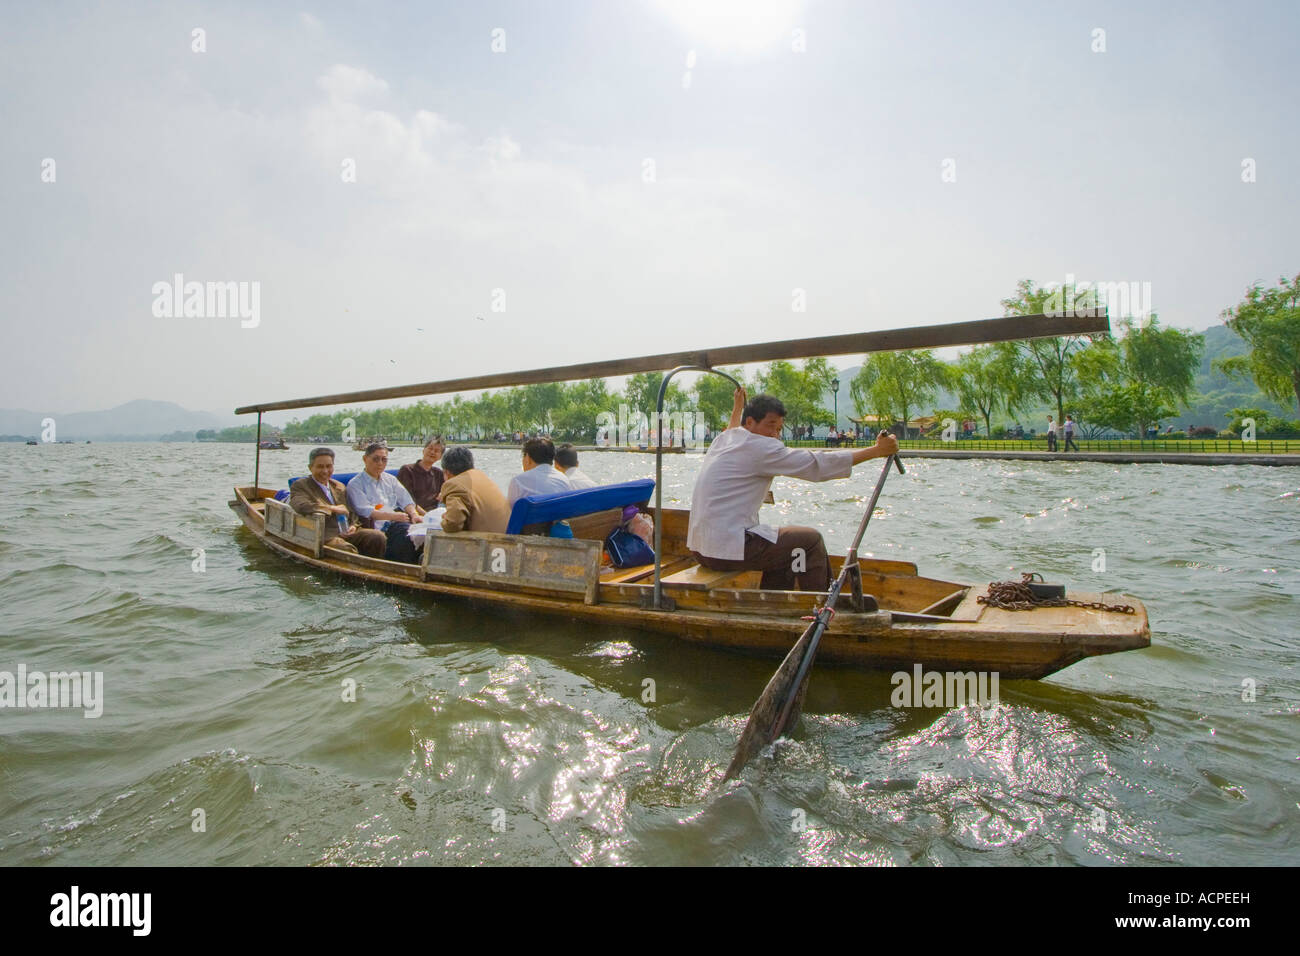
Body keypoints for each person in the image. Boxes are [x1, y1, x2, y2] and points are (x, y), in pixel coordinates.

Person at [687, 389, 899, 592]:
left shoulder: (724, 439)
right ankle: (818, 606)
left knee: (788, 546)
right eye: (771, 426)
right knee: (809, 541)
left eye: (779, 429)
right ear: (750, 423)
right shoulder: (762, 447)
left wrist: (737, 407)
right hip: (726, 550)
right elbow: (816, 463)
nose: (775, 435)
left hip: (700, 548)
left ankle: (775, 602)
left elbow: (734, 427)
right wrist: (876, 451)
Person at [289, 447, 387, 558]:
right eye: (320, 467)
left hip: (346, 530)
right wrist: (332, 508)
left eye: (329, 466)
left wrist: (353, 526)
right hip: (323, 534)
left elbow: (351, 512)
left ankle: (373, 568)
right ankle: (353, 573)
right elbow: (301, 506)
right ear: (310, 467)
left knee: (377, 537)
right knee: (346, 550)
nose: (325, 471)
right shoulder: (301, 485)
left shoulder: (338, 486)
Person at [346, 443, 422, 562]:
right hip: (377, 526)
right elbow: (366, 510)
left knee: (423, 530)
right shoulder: (355, 484)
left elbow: (406, 500)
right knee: (405, 532)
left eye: (384, 459)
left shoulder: (390, 479)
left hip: (397, 521)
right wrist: (394, 516)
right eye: (375, 459)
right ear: (365, 459)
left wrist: (414, 515)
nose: (380, 463)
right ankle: (404, 568)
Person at [439, 446, 511, 533]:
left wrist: (444, 520)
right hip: (504, 537)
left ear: (447, 472)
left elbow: (452, 524)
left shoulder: (454, 484)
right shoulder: (482, 477)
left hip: (485, 542)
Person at [507, 437, 572, 505]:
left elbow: (509, 512)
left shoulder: (518, 481)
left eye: (523, 456)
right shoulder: (564, 479)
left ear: (528, 458)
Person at [397, 436, 446, 511]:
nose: (432, 452)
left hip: (435, 513)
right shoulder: (407, 470)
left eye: (436, 451)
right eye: (430, 448)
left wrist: (444, 493)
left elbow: (449, 489)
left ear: (440, 457)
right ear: (423, 450)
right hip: (412, 514)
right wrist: (426, 516)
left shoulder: (439, 473)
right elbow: (407, 501)